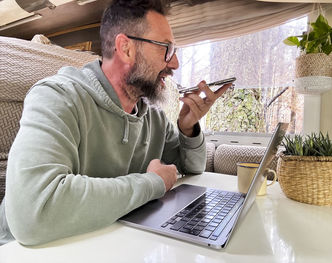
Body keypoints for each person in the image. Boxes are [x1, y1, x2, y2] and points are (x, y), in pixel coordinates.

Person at [0, 0, 231, 246]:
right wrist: (152, 183)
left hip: (102, 243)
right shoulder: (57, 97)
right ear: (126, 48)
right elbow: (33, 215)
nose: (174, 63)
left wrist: (188, 128)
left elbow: (192, 168)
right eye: (166, 48)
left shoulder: (152, 116)